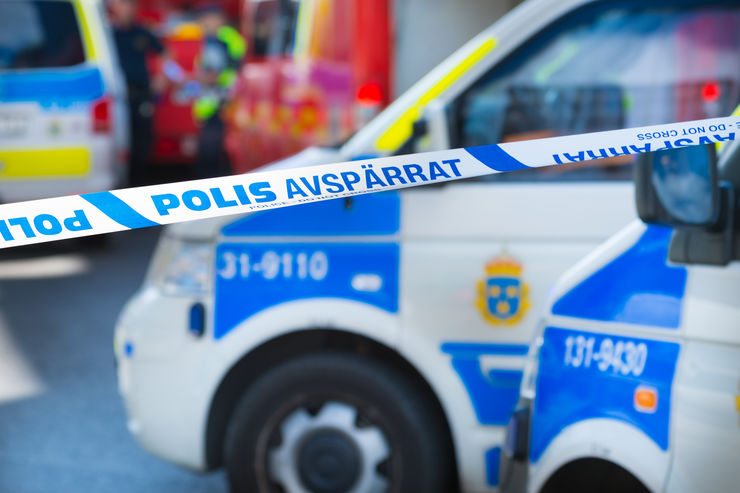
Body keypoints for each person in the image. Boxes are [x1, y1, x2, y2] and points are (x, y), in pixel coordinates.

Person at [109, 0, 164, 185]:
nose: (126, 8)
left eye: (130, 4)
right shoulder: (107, 34)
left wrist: (163, 76)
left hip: (141, 95)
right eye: (122, 4)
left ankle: (139, 185)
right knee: (120, 142)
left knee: (142, 142)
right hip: (117, 98)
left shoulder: (142, 32)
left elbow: (167, 54)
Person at [193, 4, 246, 178]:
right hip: (210, 104)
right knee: (208, 152)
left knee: (219, 152)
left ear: (219, 19)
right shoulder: (208, 39)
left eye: (208, 19)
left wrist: (215, 78)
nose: (204, 23)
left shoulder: (227, 39)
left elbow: (236, 70)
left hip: (225, 102)